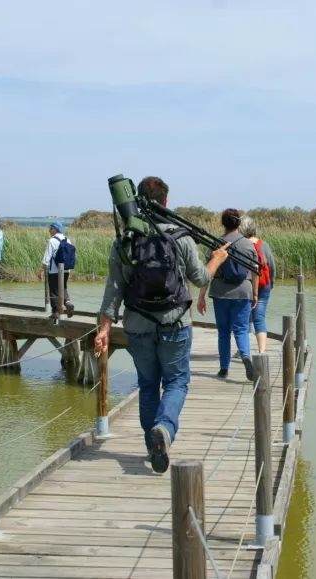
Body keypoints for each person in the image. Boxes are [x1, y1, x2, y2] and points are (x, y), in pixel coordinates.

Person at [94, 176, 229, 474]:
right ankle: (164, 429)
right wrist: (217, 258)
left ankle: (151, 445)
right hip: (176, 323)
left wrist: (103, 329)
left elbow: (112, 292)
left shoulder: (124, 241)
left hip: (137, 325)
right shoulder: (181, 238)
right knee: (177, 382)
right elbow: (201, 279)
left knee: (147, 385)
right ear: (166, 202)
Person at [197, 209, 259, 381]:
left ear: (223, 224)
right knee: (241, 329)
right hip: (243, 291)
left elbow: (208, 271)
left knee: (223, 332)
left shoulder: (216, 243)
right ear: (239, 224)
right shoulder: (248, 245)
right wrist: (254, 292)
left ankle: (224, 367)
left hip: (220, 292)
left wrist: (201, 296)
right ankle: (245, 355)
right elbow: (256, 270)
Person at [239, 216, 276, 354]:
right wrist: (271, 282)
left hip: (245, 284)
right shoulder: (263, 245)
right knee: (259, 317)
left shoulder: (240, 244)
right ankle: (261, 351)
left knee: (243, 318)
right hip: (263, 285)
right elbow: (271, 266)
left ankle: (243, 350)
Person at [38, 222, 75, 319]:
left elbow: (46, 259)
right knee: (63, 288)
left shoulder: (52, 241)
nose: (49, 230)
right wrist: (69, 271)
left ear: (55, 229)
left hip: (54, 271)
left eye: (50, 228)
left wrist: (41, 270)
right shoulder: (68, 240)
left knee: (53, 291)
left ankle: (55, 312)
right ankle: (68, 303)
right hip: (65, 270)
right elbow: (69, 257)